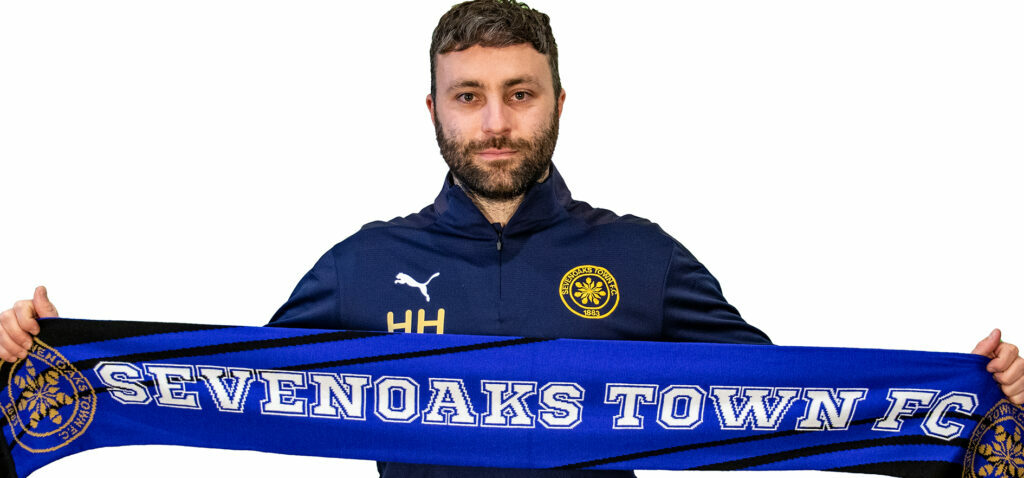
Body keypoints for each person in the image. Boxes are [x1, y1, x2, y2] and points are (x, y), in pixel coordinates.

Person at [2, 0, 1022, 477]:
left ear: (558, 103)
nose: (495, 123)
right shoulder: (362, 261)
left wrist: (978, 403)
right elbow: (231, 385)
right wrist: (52, 356)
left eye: (519, 94)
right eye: (469, 97)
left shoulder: (645, 256)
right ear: (433, 110)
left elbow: (785, 407)